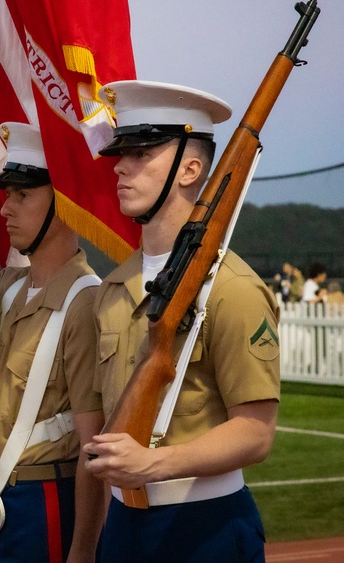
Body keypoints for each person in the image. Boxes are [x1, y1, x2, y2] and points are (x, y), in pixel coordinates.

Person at [85, 80, 279, 562]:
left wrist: (153, 464)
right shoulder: (112, 290)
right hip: (123, 525)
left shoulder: (232, 288)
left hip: (203, 527)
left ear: (191, 169)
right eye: (121, 153)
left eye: (142, 152)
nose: (121, 166)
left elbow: (256, 432)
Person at [0, 123, 106, 562]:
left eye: (22, 195)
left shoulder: (84, 300)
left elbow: (93, 446)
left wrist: (83, 552)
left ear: (64, 203)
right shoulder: (6, 287)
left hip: (44, 503)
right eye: (7, 194)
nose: (5, 209)